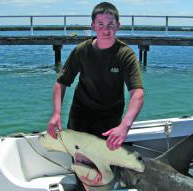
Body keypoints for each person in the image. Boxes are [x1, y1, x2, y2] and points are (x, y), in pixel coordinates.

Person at [47, 2, 144, 151]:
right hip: (80, 116)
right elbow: (61, 83)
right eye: (100, 24)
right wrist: (56, 113)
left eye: (110, 24)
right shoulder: (81, 51)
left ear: (118, 25)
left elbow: (137, 93)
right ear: (93, 26)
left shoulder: (125, 54)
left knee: (106, 169)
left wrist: (124, 126)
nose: (106, 29)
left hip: (110, 119)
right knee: (82, 167)